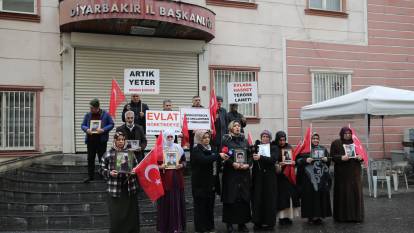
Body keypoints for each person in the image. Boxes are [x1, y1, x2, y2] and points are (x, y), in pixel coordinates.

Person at [100, 132, 140, 233]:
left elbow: (137, 168)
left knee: (131, 214)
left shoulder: (130, 153)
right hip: (115, 189)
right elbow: (101, 170)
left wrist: (134, 171)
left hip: (129, 188)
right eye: (118, 140)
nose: (121, 142)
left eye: (122, 139)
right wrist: (110, 173)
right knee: (116, 215)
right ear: (115, 141)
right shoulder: (108, 154)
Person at [191, 130, 229, 233]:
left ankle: (210, 227)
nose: (207, 139)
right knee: (200, 208)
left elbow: (215, 163)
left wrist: (222, 159)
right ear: (199, 139)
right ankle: (200, 229)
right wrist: (218, 156)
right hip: (200, 184)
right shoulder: (196, 150)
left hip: (211, 183)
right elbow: (204, 160)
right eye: (204, 138)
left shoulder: (212, 149)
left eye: (208, 137)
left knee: (209, 207)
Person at [221, 121, 251, 233]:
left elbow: (250, 156)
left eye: (239, 126)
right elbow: (224, 156)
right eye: (235, 126)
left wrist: (248, 164)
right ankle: (229, 224)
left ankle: (242, 224)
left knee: (243, 198)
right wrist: (232, 163)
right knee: (231, 198)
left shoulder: (245, 141)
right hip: (231, 174)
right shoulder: (226, 141)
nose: (237, 128)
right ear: (231, 128)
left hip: (243, 174)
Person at [296, 133, 332, 224]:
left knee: (320, 197)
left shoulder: (323, 149)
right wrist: (305, 160)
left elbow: (329, 160)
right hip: (308, 179)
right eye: (313, 138)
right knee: (310, 197)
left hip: (321, 178)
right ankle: (310, 216)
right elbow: (297, 161)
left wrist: (326, 159)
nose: (316, 140)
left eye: (317, 138)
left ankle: (319, 216)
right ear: (310, 140)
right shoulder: (305, 150)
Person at [330, 126, 364, 222]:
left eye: (349, 133)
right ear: (342, 134)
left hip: (354, 174)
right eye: (345, 133)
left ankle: (356, 216)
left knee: (354, 194)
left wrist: (360, 157)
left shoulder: (355, 143)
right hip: (342, 175)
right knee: (343, 194)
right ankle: (342, 217)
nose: (347, 135)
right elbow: (332, 157)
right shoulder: (336, 143)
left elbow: (362, 155)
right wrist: (341, 158)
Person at [157, 129, 187, 233]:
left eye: (171, 136)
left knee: (176, 203)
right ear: (164, 137)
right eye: (168, 137)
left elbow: (184, 161)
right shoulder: (159, 149)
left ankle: (176, 227)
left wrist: (181, 165)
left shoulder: (178, 148)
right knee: (165, 204)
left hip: (176, 179)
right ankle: (164, 227)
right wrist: (160, 167)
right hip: (164, 181)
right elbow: (153, 165)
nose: (170, 139)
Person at [81, 98, 114, 183]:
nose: (91, 109)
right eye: (90, 108)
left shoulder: (106, 114)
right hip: (90, 140)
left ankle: (103, 175)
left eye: (92, 108)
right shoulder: (88, 115)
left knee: (102, 158)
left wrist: (103, 129)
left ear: (97, 107)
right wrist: (87, 129)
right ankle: (90, 176)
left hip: (101, 141)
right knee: (90, 158)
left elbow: (111, 124)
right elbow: (82, 125)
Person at [251, 130, 278, 230]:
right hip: (258, 177)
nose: (265, 138)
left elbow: (273, 159)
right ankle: (257, 221)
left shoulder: (274, 147)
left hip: (270, 178)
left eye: (267, 136)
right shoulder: (257, 147)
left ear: (270, 138)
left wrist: (260, 157)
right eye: (263, 136)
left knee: (269, 199)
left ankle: (269, 222)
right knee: (258, 199)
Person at [273, 131, 300, 225]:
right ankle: (281, 218)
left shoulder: (289, 147)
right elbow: (273, 160)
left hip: (289, 176)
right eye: (280, 140)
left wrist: (293, 162)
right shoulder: (274, 147)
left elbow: (294, 159)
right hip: (279, 176)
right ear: (277, 139)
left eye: (284, 140)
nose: (282, 142)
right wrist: (278, 164)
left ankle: (288, 217)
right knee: (281, 197)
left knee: (289, 197)